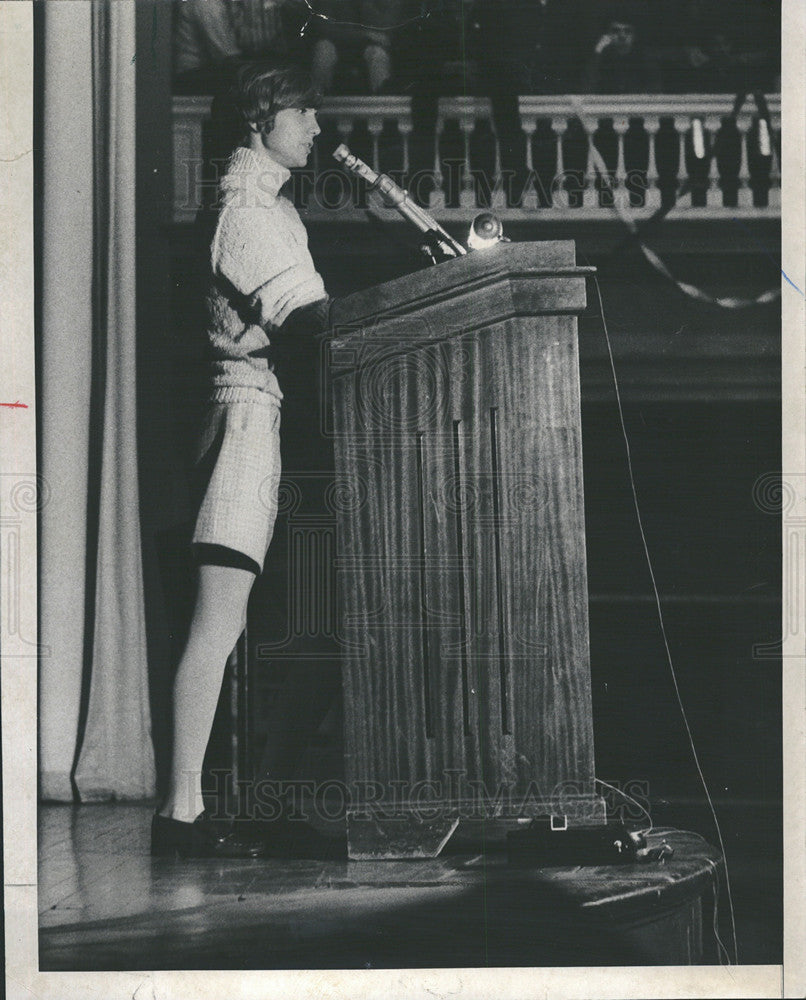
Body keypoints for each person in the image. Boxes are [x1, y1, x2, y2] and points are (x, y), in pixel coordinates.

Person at [151, 62, 328, 858]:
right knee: (217, 622)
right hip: (243, 424)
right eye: (305, 114)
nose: (317, 128)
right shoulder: (249, 211)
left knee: (239, 623)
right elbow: (312, 319)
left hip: (258, 416)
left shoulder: (267, 207)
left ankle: (210, 804)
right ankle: (180, 813)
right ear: (263, 123)